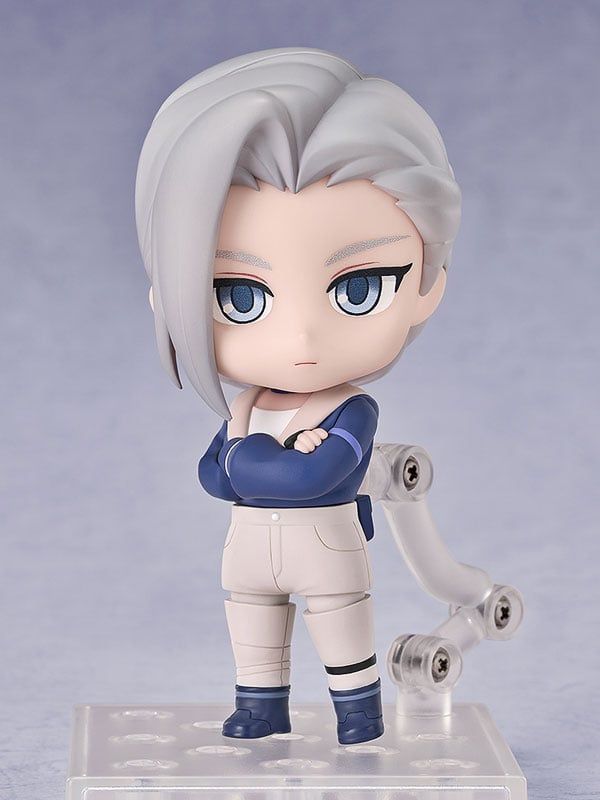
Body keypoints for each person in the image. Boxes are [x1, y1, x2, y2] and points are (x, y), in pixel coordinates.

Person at [135, 47, 461, 745]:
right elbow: (211, 476)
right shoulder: (245, 407)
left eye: (358, 289)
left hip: (323, 543)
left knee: (341, 626)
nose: (302, 337)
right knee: (252, 626)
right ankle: (261, 707)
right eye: (240, 296)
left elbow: (313, 474)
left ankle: (358, 714)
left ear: (426, 285)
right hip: (250, 547)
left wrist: (249, 459)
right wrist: (258, 461)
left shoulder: (351, 410)